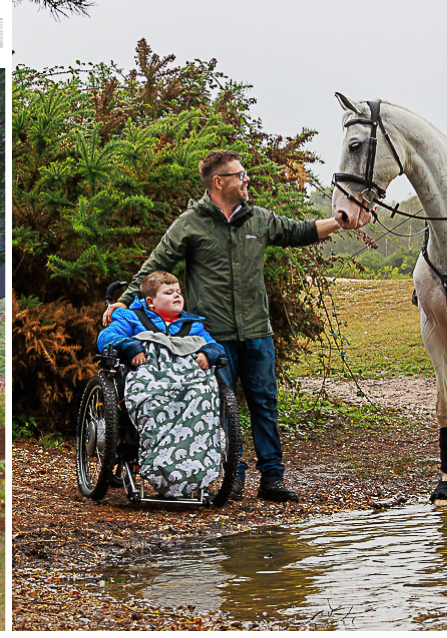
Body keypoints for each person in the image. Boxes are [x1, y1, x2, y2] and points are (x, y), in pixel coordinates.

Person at [112, 150, 343, 503]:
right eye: (240, 174)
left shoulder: (259, 219)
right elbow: (154, 266)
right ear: (219, 183)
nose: (247, 179)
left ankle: (272, 479)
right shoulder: (190, 223)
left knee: (265, 404)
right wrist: (122, 303)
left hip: (257, 332)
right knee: (220, 406)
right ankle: (232, 477)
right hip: (213, 334)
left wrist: (340, 220)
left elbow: (301, 232)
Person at [98, 272, 223, 372]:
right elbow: (106, 337)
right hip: (144, 377)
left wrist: (208, 354)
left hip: (187, 380)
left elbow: (215, 345)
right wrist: (131, 347)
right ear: (151, 302)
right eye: (169, 293)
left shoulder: (192, 325)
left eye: (178, 292)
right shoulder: (131, 317)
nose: (176, 296)